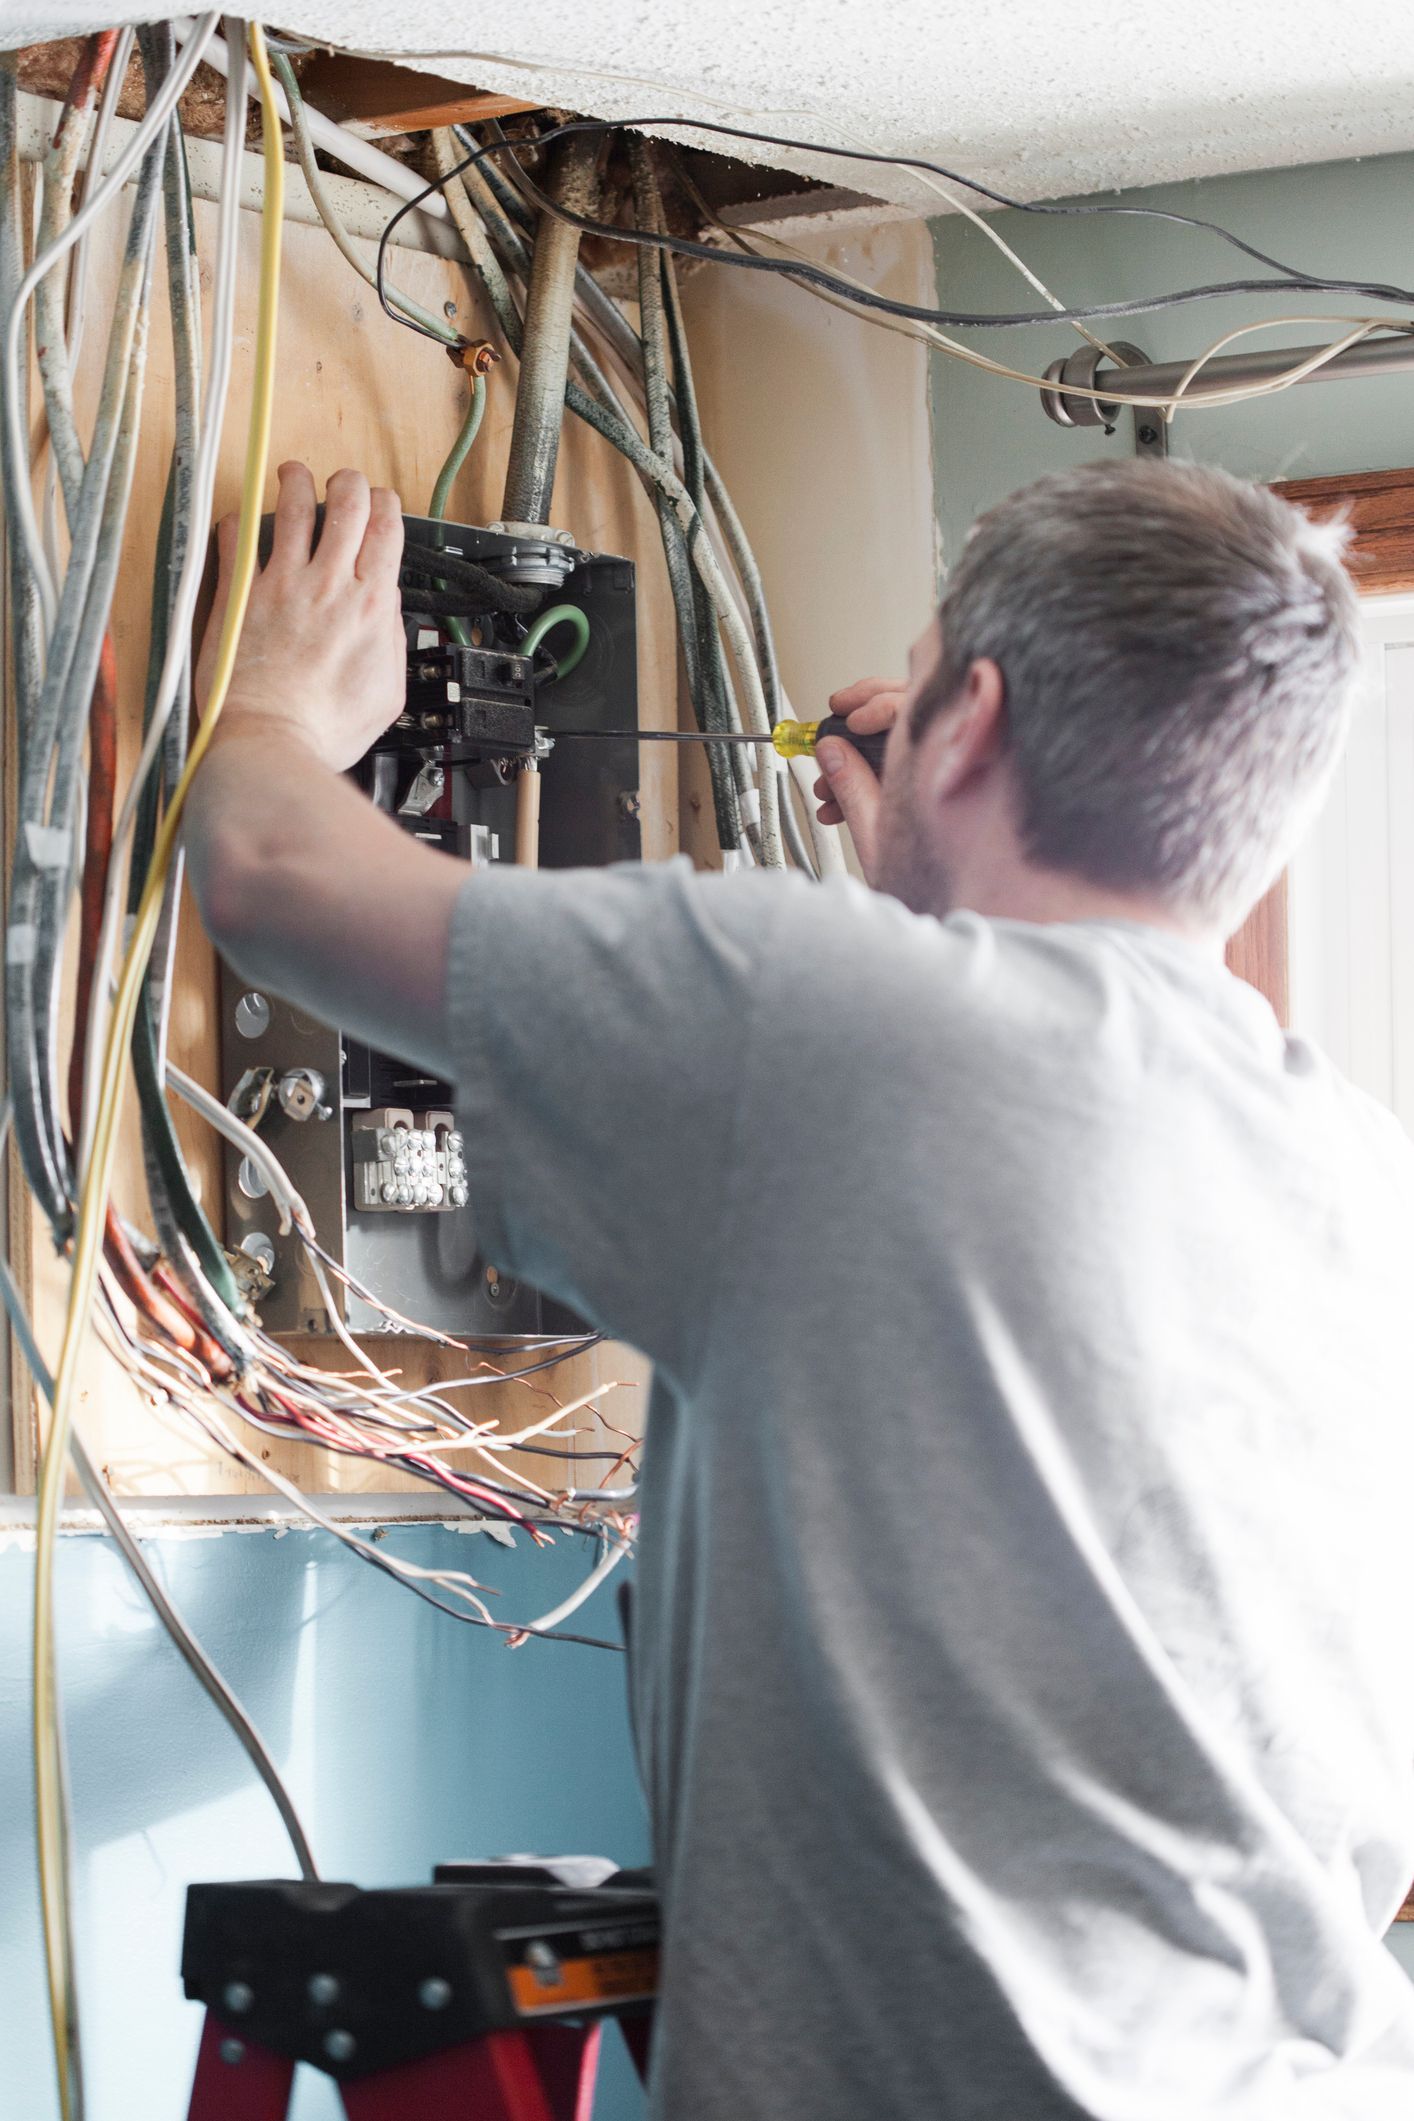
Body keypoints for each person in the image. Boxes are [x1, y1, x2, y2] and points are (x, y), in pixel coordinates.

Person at [187, 455, 1414, 2120]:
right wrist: (929, 874)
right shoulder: (1355, 1169)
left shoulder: (816, 1026)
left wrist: (273, 700)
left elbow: (267, 874)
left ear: (966, 720)